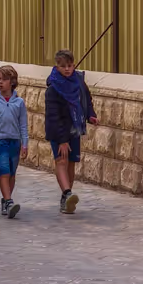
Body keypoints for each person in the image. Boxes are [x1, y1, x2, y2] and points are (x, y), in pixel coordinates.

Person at [45, 49, 98, 214]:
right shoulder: (53, 88)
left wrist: (91, 115)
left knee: (71, 163)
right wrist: (62, 140)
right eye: (63, 66)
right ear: (57, 67)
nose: (67, 69)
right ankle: (68, 193)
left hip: (74, 129)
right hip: (58, 131)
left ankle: (65, 198)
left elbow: (86, 99)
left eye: (69, 66)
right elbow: (53, 116)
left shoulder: (79, 82)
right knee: (61, 160)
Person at [0, 66, 28, 219]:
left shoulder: (19, 102)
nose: (0, 83)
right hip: (0, 141)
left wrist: (25, 144)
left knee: (12, 173)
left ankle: (5, 200)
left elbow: (23, 124)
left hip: (15, 142)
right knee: (4, 172)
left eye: (4, 79)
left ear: (12, 81)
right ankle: (9, 202)